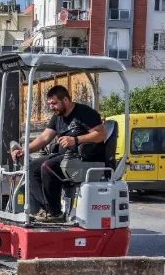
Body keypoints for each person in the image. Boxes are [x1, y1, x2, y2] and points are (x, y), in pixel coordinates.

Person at [11, 85, 108, 221]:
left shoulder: (85, 113)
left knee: (47, 166)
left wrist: (76, 139)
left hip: (83, 158)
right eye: (49, 104)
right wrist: (24, 151)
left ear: (66, 100)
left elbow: (101, 134)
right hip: (66, 158)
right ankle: (48, 209)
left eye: (54, 103)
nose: (51, 107)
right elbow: (44, 138)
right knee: (32, 167)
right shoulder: (58, 117)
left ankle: (55, 213)